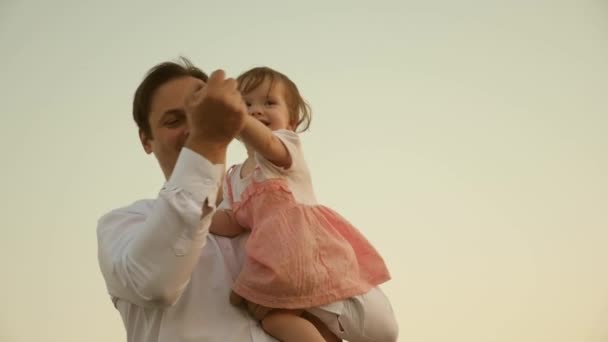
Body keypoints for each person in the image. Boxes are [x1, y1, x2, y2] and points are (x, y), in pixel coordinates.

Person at [96, 58, 398, 342]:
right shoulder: (124, 225)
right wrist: (206, 142)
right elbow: (156, 284)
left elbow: (381, 326)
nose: (194, 127)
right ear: (146, 140)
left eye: (202, 115)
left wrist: (303, 293)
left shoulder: (280, 217)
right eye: (174, 120)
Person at [209, 66, 397, 342]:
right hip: (276, 267)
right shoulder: (233, 177)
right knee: (274, 318)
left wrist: (238, 116)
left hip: (310, 253)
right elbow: (231, 221)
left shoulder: (285, 146)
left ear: (292, 121)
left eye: (269, 103)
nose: (256, 111)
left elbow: (269, 145)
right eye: (246, 104)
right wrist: (199, 216)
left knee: (379, 329)